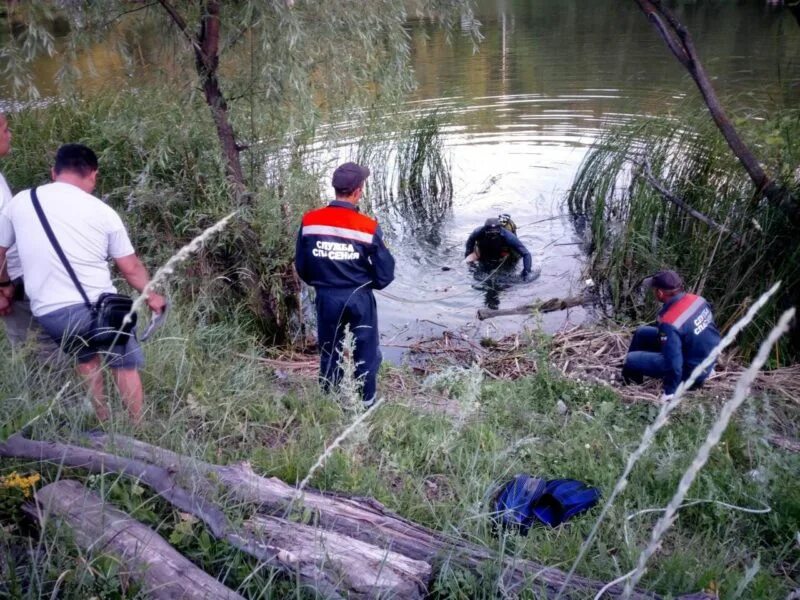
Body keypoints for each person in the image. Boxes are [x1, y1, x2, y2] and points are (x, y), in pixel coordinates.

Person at [0, 143, 166, 423]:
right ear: (93, 174)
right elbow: (130, 267)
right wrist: (152, 297)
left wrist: (3, 285)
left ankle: (101, 419)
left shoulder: (21, 202)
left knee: (86, 358)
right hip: (100, 310)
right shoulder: (103, 212)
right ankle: (139, 425)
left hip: (50, 314)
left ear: (54, 172)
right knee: (124, 363)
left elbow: (0, 251)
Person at [294, 162, 395, 408]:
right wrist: (367, 282)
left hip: (327, 297)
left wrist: (322, 283)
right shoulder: (368, 226)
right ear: (358, 191)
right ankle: (366, 403)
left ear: (336, 188)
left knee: (329, 350)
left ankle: (328, 399)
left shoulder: (310, 221)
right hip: (359, 296)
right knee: (365, 351)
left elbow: (302, 265)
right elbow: (385, 272)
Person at [621, 269, 721, 400]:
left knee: (630, 359)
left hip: (692, 371)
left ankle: (630, 385)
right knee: (641, 332)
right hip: (705, 357)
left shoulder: (670, 322)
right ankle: (637, 372)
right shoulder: (698, 300)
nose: (653, 292)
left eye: (654, 289)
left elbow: (674, 364)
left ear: (660, 293)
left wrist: (670, 392)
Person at [465, 217, 532, 280]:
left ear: (500, 230)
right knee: (467, 261)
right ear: (484, 230)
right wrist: (471, 266)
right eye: (490, 233)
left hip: (503, 250)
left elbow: (526, 254)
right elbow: (469, 246)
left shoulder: (509, 237)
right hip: (485, 249)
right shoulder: (477, 232)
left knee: (513, 260)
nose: (493, 236)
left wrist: (526, 272)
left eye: (495, 233)